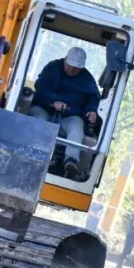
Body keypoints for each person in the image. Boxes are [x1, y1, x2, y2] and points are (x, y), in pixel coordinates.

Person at [29, 46, 101, 179]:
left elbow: (93, 98)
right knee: (38, 119)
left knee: (77, 126)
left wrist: (91, 112)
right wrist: (53, 100)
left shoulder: (87, 80)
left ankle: (70, 162)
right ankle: (36, 153)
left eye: (77, 68)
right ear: (65, 60)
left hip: (69, 116)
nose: (73, 70)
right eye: (70, 66)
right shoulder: (52, 68)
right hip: (45, 109)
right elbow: (40, 86)